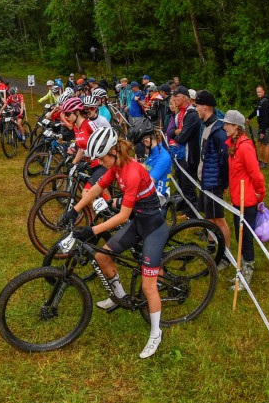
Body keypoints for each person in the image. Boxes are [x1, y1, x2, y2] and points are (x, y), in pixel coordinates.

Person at [59, 127, 168, 359]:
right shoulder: (116, 166)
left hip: (153, 227)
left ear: (114, 152)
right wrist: (74, 210)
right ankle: (120, 297)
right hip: (139, 222)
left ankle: (156, 333)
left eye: (101, 157)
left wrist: (91, 230)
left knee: (149, 287)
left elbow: (122, 216)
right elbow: (97, 188)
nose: (99, 162)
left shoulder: (131, 172)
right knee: (102, 256)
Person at [223, 110, 267, 289]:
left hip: (247, 200)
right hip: (237, 197)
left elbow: (256, 174)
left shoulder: (245, 146)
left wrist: (259, 195)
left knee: (245, 237)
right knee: (240, 236)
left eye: (227, 124)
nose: (224, 126)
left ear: (236, 127)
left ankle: (247, 271)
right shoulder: (233, 143)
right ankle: (240, 270)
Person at [194, 90, 231, 268]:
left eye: (198, 106)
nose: (196, 109)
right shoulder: (206, 125)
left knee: (219, 220)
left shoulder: (218, 131)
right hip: (205, 180)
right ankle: (211, 245)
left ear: (206, 107)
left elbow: (225, 161)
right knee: (209, 217)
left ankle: (226, 256)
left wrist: (224, 183)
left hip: (214, 181)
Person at [167, 86, 201, 217]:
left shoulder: (191, 114)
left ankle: (193, 213)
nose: (174, 99)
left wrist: (176, 134)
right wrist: (175, 132)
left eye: (177, 96)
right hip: (179, 154)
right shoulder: (179, 113)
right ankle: (184, 208)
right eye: (173, 96)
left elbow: (182, 137)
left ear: (186, 99)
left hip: (189, 155)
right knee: (181, 182)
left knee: (188, 185)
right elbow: (170, 131)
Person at [247, 86, 269, 168]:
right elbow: (256, 111)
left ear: (263, 92)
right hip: (261, 126)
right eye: (257, 92)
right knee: (260, 143)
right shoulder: (261, 101)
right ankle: (260, 161)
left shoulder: (265, 102)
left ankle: (265, 163)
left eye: (260, 92)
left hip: (265, 126)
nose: (258, 93)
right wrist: (249, 117)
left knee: (265, 143)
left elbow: (266, 117)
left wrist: (263, 131)